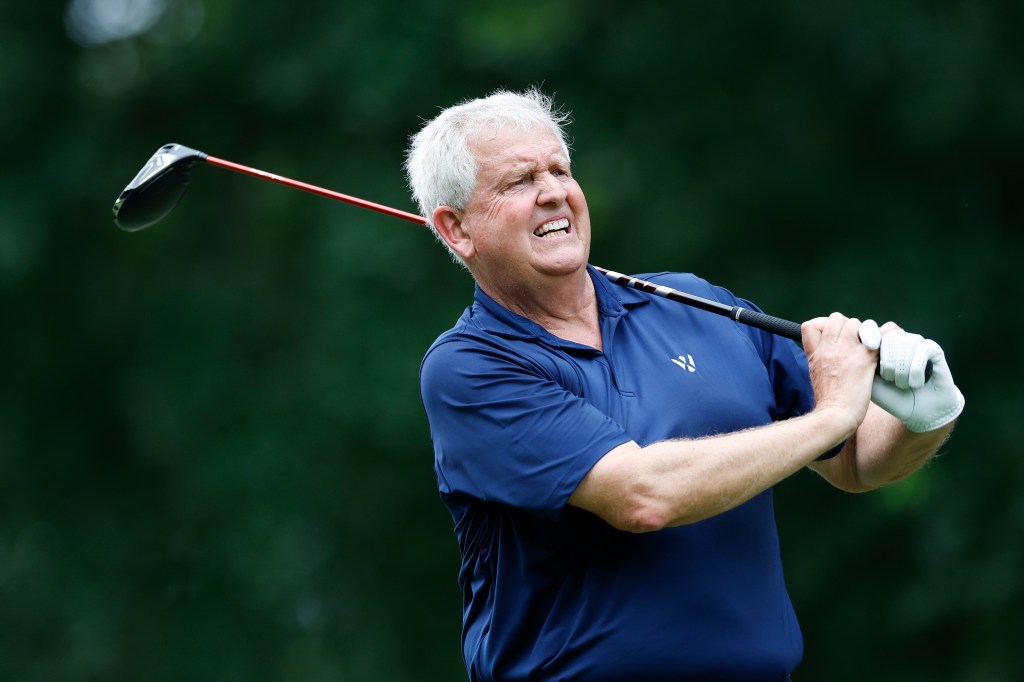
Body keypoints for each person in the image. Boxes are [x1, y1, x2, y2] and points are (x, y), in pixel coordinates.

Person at [404, 88, 964, 682]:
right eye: (518, 182)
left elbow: (855, 461)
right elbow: (642, 496)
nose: (553, 192)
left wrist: (924, 415)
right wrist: (831, 416)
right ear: (456, 229)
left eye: (560, 170)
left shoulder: (696, 305)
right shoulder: (468, 367)